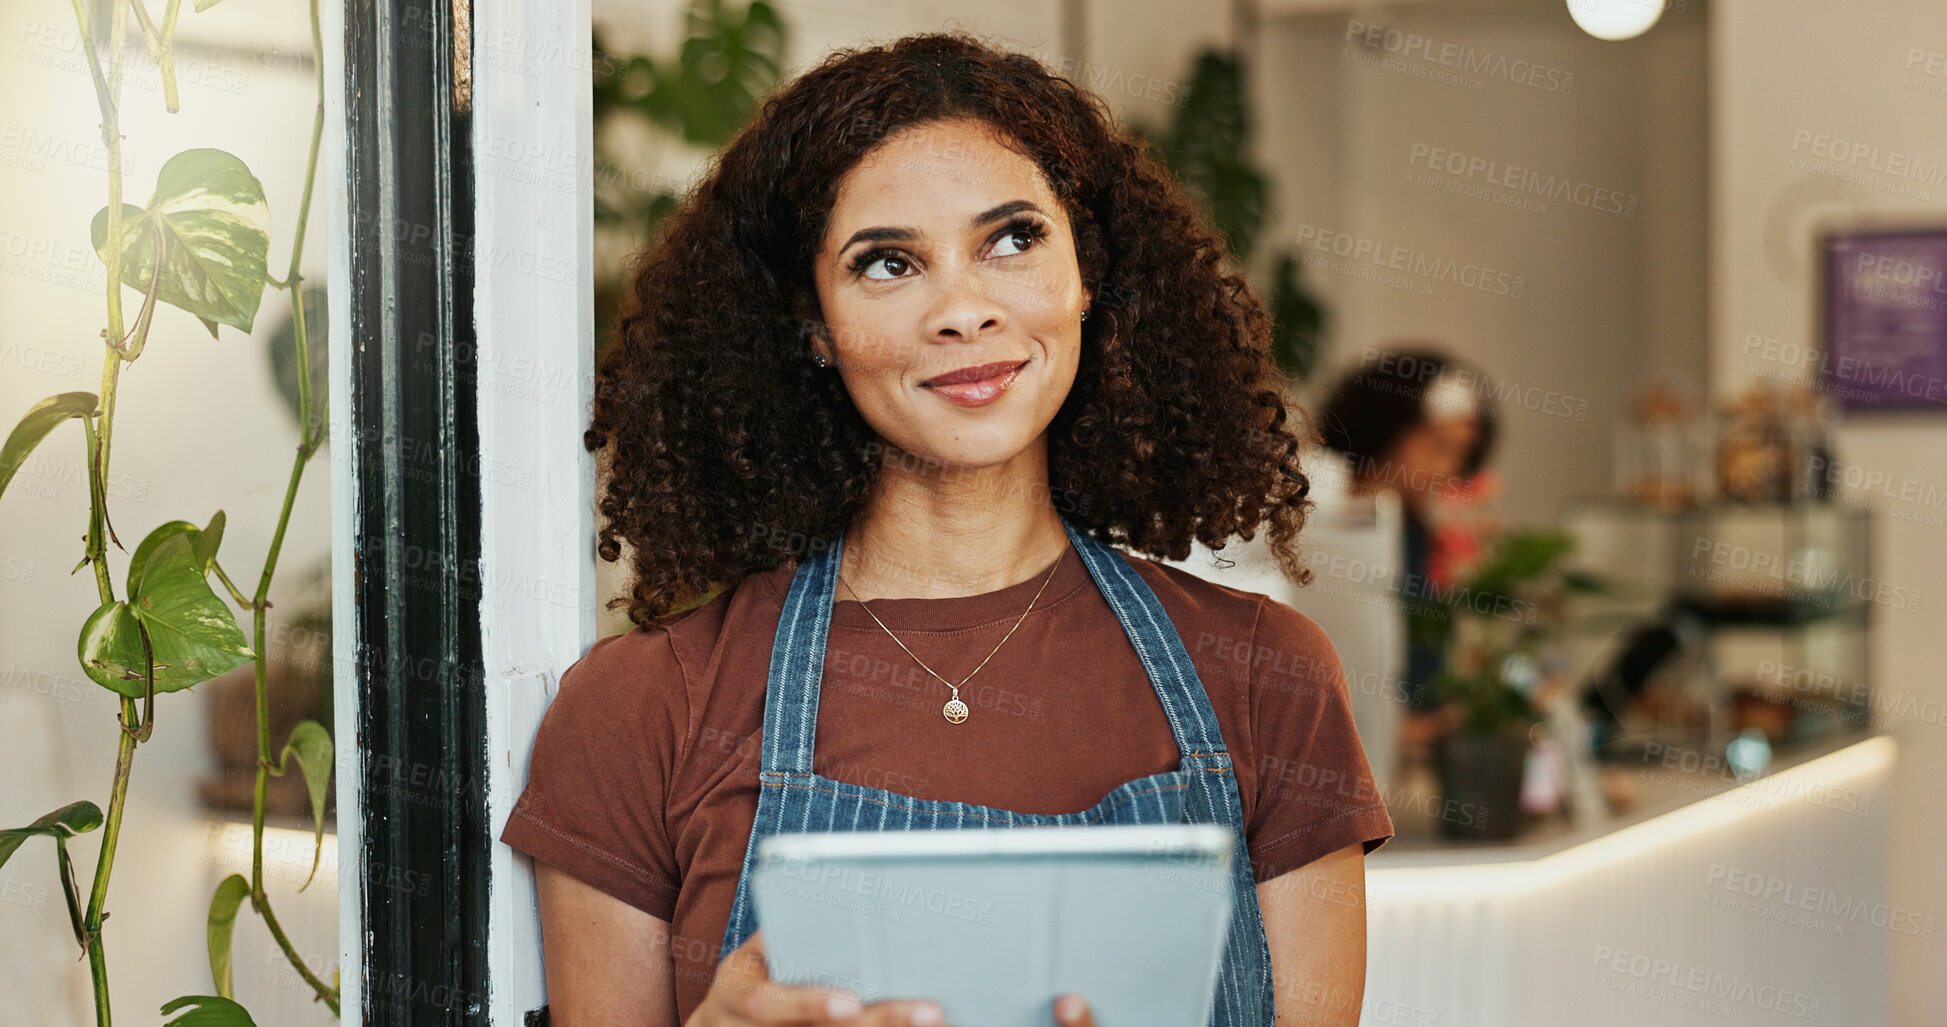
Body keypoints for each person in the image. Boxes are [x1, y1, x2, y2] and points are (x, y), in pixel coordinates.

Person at [500, 32, 1393, 1027]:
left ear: (1086, 276)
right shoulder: (642, 709)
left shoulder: (1268, 676)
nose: (963, 309)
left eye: (1012, 240)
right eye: (889, 263)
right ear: (814, 329)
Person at [1314, 347, 1500, 738]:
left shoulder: (1419, 534)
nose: (1448, 469)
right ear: (1384, 432)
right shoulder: (1326, 524)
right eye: (1437, 448)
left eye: (1461, 454)